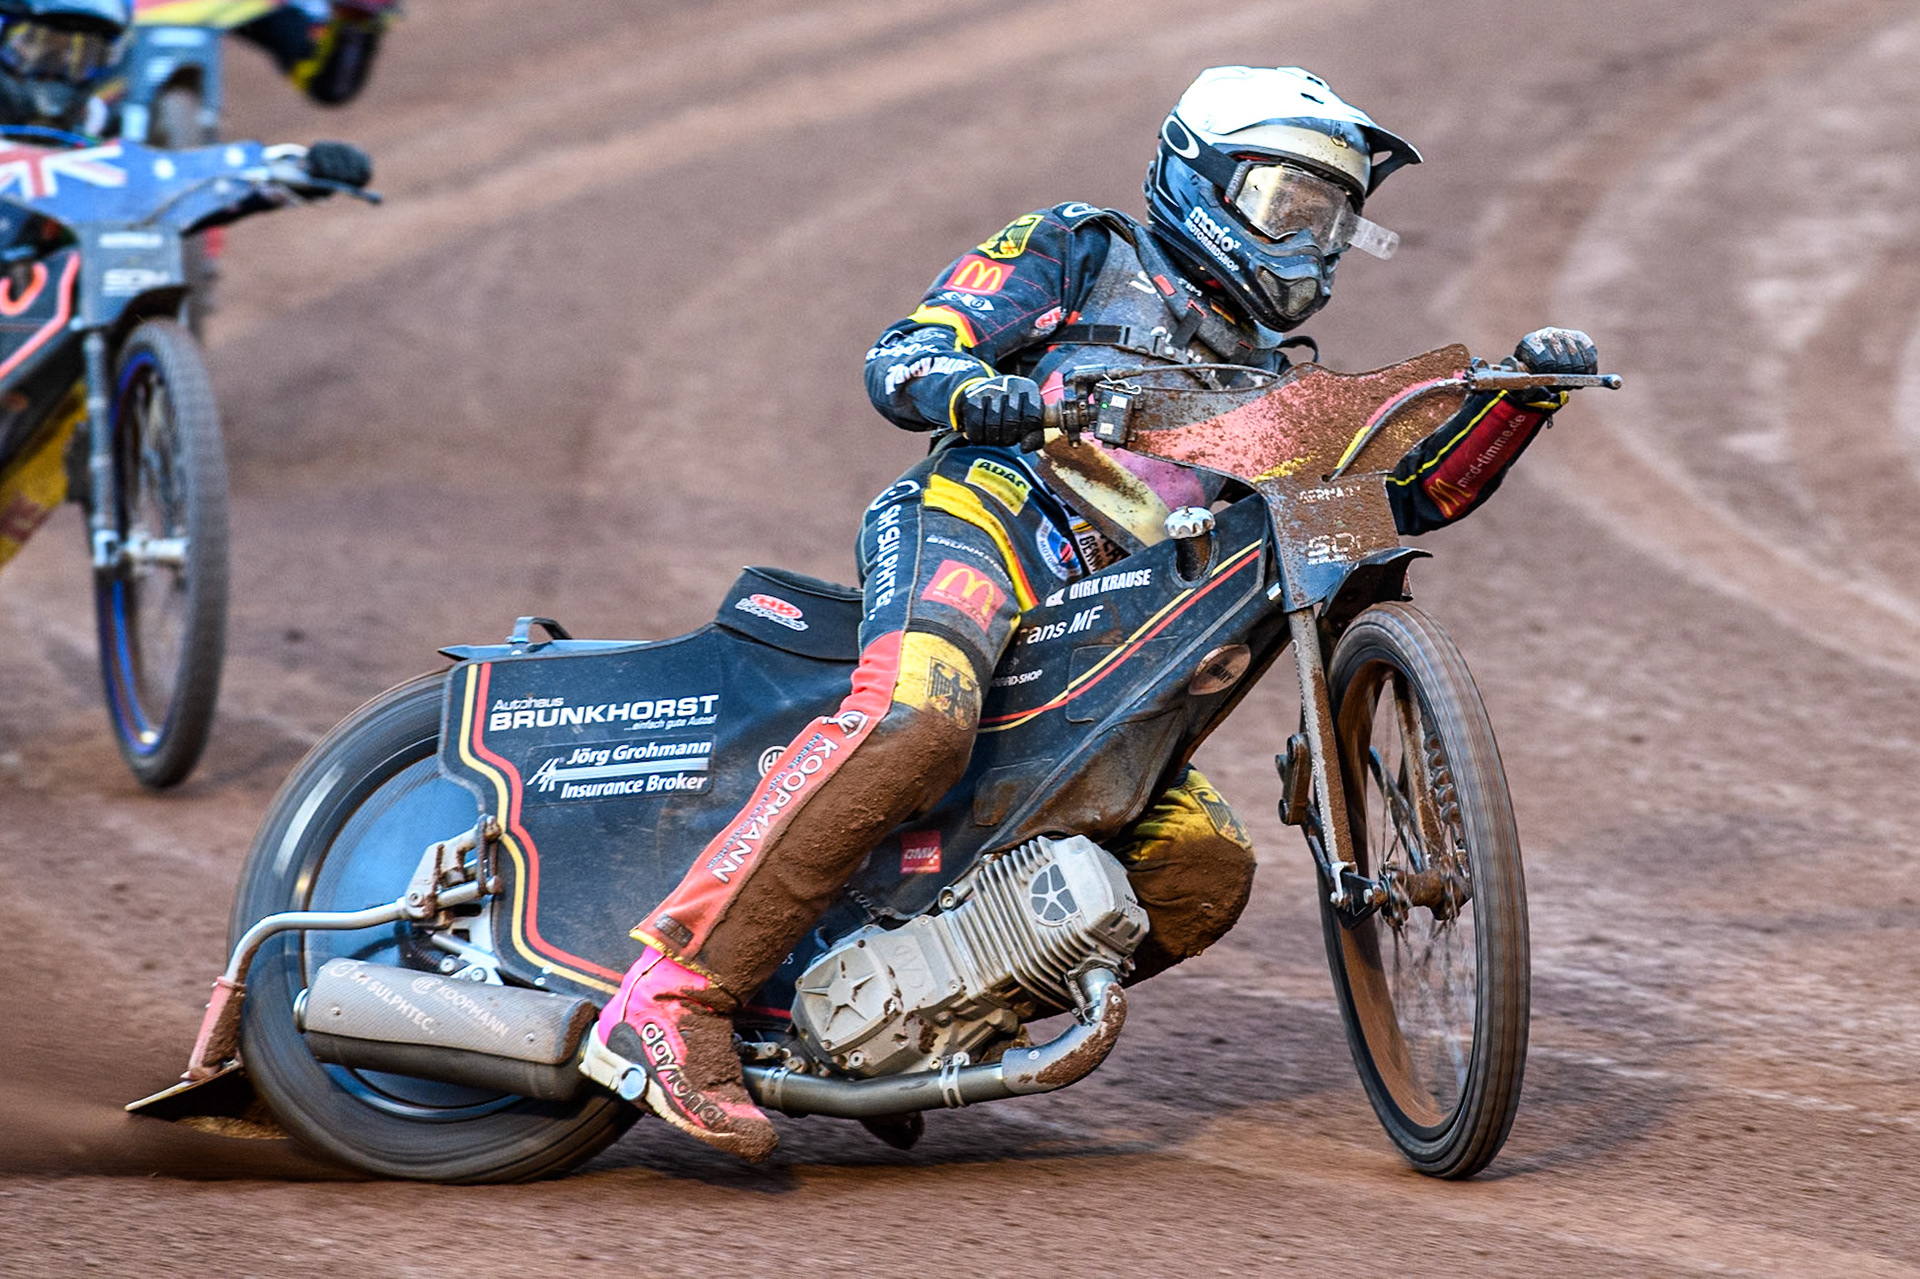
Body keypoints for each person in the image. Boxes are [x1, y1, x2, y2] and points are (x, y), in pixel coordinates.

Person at [582, 65, 1598, 1161]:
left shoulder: (1272, 385)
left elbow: (1402, 499)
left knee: (1200, 865)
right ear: (1199, 180)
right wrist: (985, 391)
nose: (1311, 243)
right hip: (981, 516)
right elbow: (905, 358)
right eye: (1286, 206)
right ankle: (673, 997)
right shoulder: (1078, 247)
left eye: (1333, 220)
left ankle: (906, 1023)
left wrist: (1518, 407)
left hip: (1101, 624)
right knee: (918, 715)